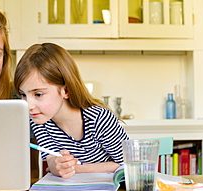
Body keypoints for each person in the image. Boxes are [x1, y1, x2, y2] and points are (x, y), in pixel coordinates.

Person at [14, 43, 129, 179]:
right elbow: (51, 160)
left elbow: (129, 164)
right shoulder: (39, 120)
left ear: (65, 91)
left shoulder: (99, 118)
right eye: (23, 95)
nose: (28, 105)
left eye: (38, 94)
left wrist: (76, 169)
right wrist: (57, 166)